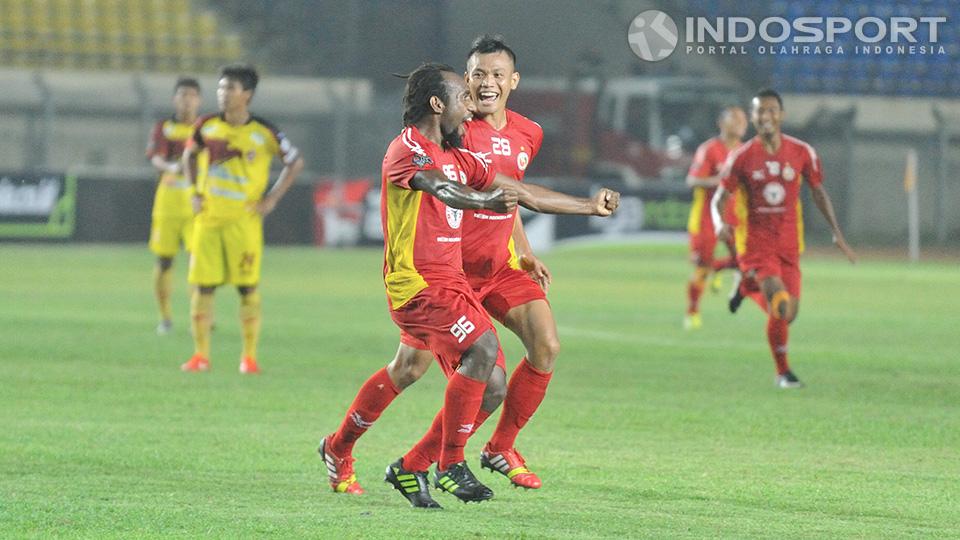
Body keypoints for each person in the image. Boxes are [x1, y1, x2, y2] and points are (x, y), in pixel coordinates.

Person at [320, 40, 620, 509]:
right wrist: (483, 201)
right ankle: (448, 463)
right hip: (419, 284)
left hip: (453, 282)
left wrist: (587, 206)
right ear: (440, 103)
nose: (475, 96)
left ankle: (359, 452)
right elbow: (441, 187)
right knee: (475, 355)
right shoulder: (407, 149)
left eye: (494, 76)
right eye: (467, 87)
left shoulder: (463, 151)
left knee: (478, 380)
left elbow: (517, 190)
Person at [712, 88, 856, 389]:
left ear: (781, 115)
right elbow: (719, 198)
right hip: (755, 244)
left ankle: (746, 286)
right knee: (778, 303)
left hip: (789, 245)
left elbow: (818, 192)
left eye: (771, 110)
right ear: (752, 118)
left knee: (788, 315)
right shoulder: (741, 157)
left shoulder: (802, 152)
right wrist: (718, 223)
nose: (765, 116)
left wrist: (836, 232)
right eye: (759, 111)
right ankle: (783, 373)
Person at [179, 64, 304, 374]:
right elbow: (188, 156)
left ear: (246, 94)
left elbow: (294, 162)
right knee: (203, 287)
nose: (223, 94)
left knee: (247, 288)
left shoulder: (264, 132)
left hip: (243, 222)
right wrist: (194, 190)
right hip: (208, 220)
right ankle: (200, 355)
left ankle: (248, 357)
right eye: (221, 88)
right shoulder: (206, 125)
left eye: (230, 89)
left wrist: (272, 198)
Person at [146, 77, 201, 335]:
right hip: (167, 204)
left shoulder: (206, 129)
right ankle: (165, 317)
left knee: (198, 261)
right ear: (174, 99)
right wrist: (170, 166)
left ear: (198, 100)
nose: (186, 100)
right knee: (165, 261)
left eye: (191, 95)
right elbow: (156, 158)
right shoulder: (164, 128)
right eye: (181, 95)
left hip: (196, 204)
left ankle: (198, 315)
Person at [683, 106, 746, 331]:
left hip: (735, 217)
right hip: (707, 217)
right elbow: (692, 180)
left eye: (742, 120)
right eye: (734, 119)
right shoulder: (709, 150)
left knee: (745, 263)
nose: (740, 124)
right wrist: (718, 181)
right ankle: (692, 312)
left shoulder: (745, 152)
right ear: (722, 124)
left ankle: (717, 269)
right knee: (701, 268)